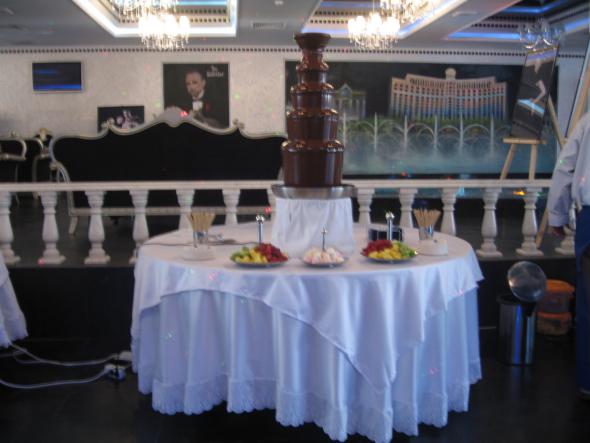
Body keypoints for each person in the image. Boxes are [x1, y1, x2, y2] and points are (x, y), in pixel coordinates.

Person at [547, 112, 590, 400]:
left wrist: (556, 215)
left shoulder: (588, 121)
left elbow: (565, 166)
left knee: (588, 302)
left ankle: (588, 381)